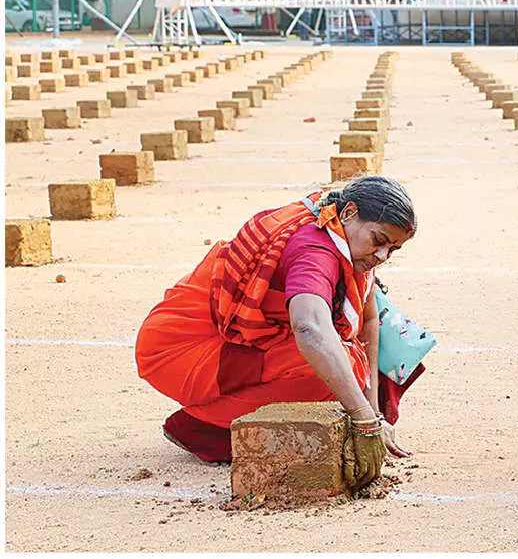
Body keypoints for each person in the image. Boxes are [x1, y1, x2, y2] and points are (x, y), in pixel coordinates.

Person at [135, 177, 420, 486]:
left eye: (392, 249)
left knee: (389, 339)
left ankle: (227, 413)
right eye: (378, 241)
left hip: (224, 343)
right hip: (180, 349)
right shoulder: (315, 250)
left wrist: (374, 414)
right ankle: (204, 428)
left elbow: (368, 320)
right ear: (349, 212)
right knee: (335, 361)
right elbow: (310, 330)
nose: (382, 256)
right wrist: (362, 419)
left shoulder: (341, 232)